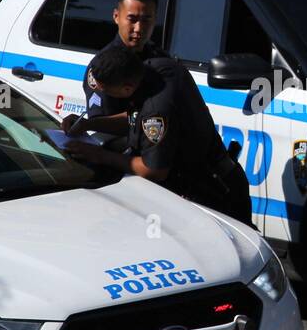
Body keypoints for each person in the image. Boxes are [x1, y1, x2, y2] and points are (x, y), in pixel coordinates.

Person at [66, 43, 254, 226]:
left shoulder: (156, 111)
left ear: (127, 88)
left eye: (106, 91)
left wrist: (98, 155)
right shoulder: (158, 69)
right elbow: (135, 119)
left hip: (213, 196)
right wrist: (89, 124)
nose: (104, 94)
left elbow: (154, 169)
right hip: (222, 180)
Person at [62, 0, 168, 136]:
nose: (139, 28)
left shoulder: (162, 59)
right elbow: (102, 124)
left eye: (146, 20)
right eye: (132, 19)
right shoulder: (104, 66)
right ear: (116, 16)